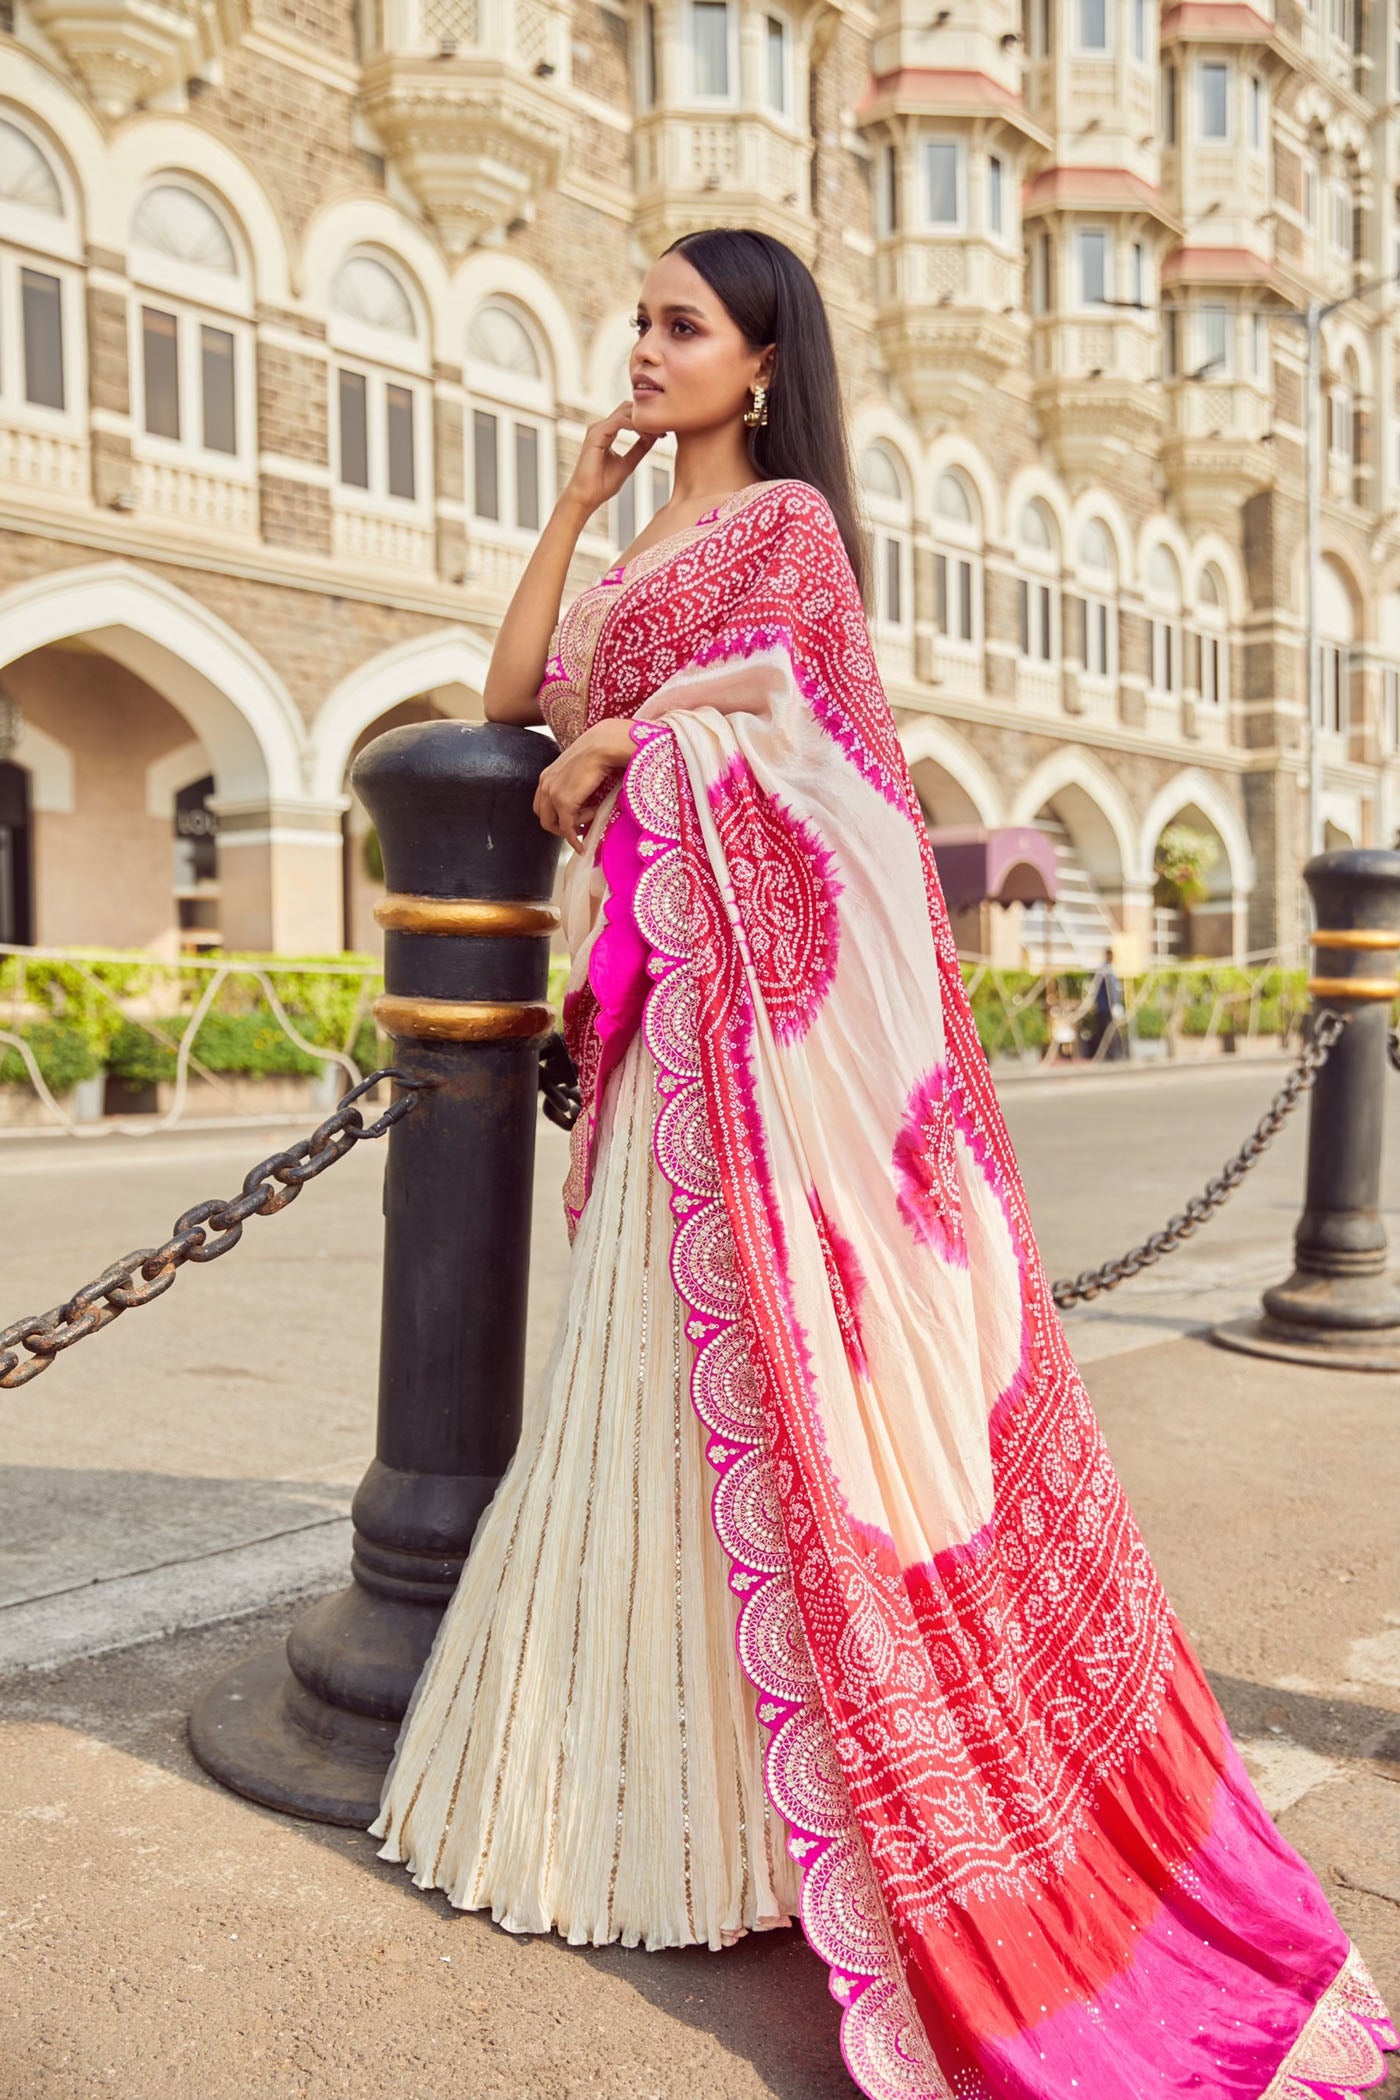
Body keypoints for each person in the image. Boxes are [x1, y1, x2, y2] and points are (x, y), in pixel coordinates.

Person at [368, 228, 1396, 2100]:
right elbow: (513, 693)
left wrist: (644, 732)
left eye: (680, 325)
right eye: (640, 320)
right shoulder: (644, 541)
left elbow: (838, 782)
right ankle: (658, 1816)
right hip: (655, 1053)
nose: (644, 346)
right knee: (650, 1416)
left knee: (744, 1420)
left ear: (761, 365)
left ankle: (760, 1826)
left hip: (748, 1059)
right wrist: (573, 516)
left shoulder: (789, 537)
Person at [1085, 945, 1130, 1062]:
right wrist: (1115, 1005)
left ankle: (1111, 1054)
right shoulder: (1105, 970)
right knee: (1108, 1031)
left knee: (1109, 1030)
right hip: (1106, 1007)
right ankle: (1110, 1054)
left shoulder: (1107, 970)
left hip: (1107, 1007)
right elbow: (1111, 991)